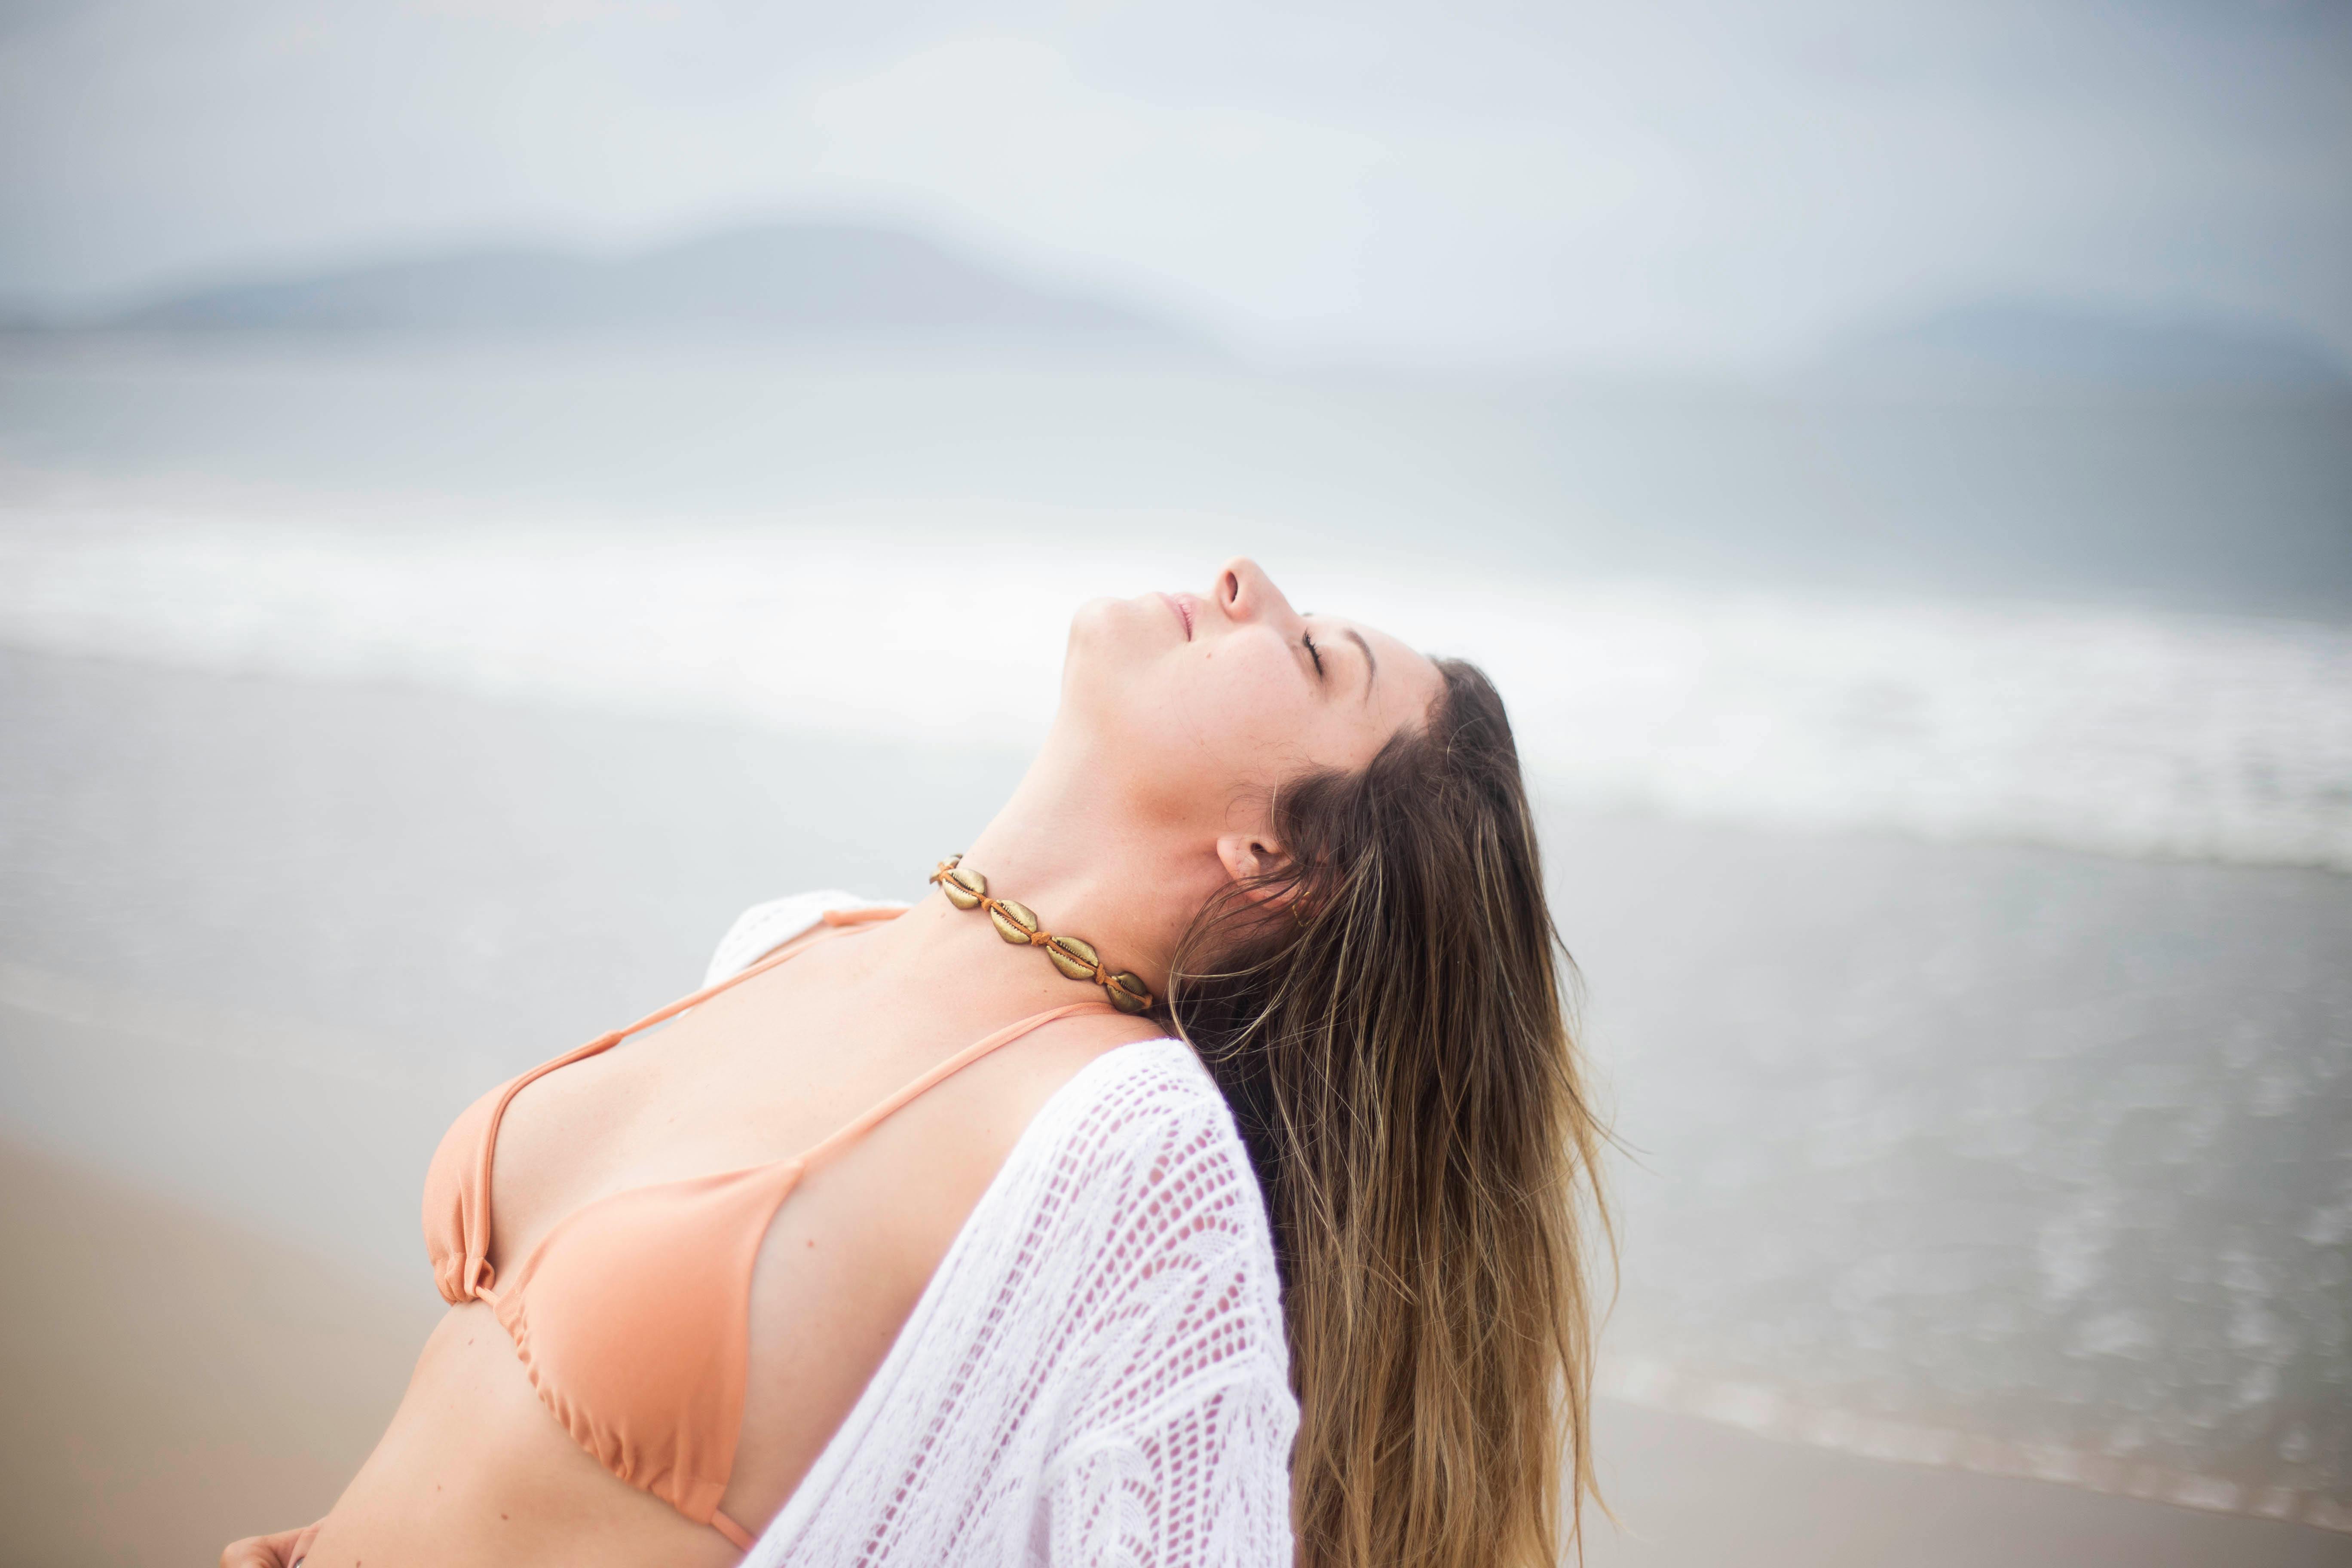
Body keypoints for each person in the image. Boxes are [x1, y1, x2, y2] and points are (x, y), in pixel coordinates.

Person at [222, 557, 1613, 1568]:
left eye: (1312, 655)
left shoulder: (1130, 1140)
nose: (1248, 579)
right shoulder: (794, 937)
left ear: (1278, 857)